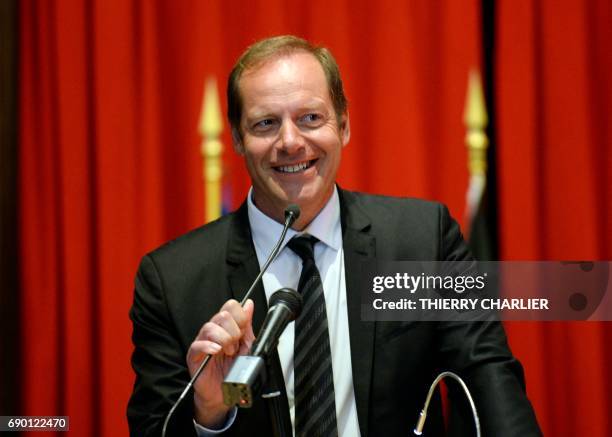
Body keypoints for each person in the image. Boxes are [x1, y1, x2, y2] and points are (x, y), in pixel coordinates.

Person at [127, 35, 541, 436]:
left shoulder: (421, 240)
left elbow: (487, 373)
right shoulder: (172, 280)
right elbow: (152, 427)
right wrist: (209, 412)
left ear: (343, 126)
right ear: (237, 137)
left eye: (310, 118)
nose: (290, 141)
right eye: (266, 123)